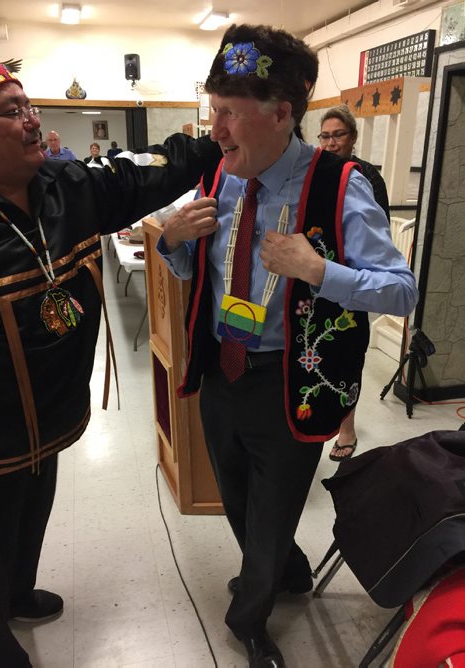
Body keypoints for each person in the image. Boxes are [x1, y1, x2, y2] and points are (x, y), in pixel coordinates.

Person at [158, 24, 418, 667]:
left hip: (290, 382)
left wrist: (318, 271)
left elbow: (401, 292)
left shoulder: (340, 185)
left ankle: (250, 617)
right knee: (239, 496)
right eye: (212, 109)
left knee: (272, 509)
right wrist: (172, 244)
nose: (213, 130)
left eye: (228, 114)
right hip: (222, 370)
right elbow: (204, 276)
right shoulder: (221, 175)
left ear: (281, 114)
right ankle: (283, 570)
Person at [0, 44, 221, 668]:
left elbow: (148, 171)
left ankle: (17, 592)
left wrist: (224, 134)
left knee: (33, 510)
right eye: (9, 111)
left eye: (27, 104)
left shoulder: (64, 185)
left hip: (47, 414)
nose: (30, 120)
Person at [318, 104, 390, 462]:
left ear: (352, 138)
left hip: (352, 284)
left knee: (348, 357)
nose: (331, 143)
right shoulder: (314, 173)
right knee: (316, 353)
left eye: (339, 135)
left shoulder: (367, 177)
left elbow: (378, 236)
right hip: (317, 280)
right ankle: (315, 419)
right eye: (325, 136)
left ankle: (346, 428)